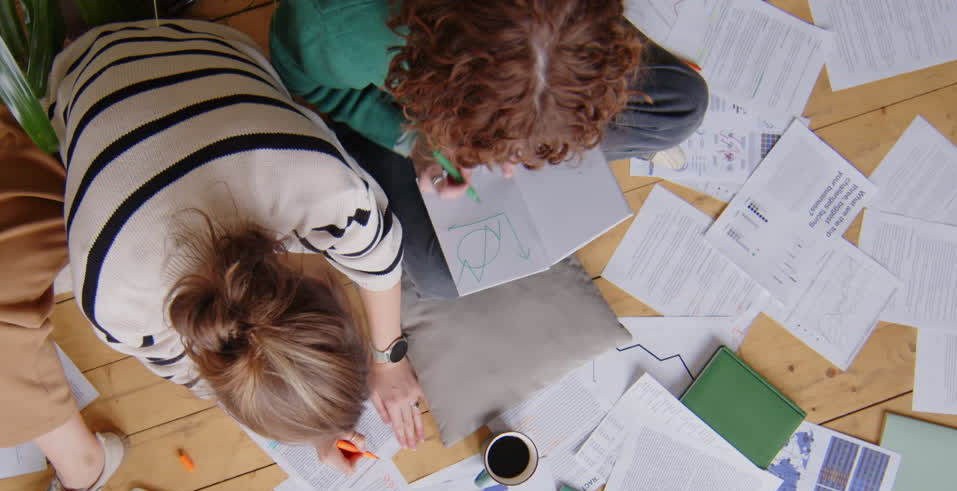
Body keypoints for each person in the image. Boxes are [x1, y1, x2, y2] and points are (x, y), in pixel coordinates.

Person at [0, 19, 432, 491]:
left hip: (203, 59)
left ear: (321, 289)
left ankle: (83, 462)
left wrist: (386, 360)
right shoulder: (117, 299)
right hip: (79, 108)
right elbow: (218, 370)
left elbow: (378, 255)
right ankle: (82, 464)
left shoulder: (323, 184)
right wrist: (313, 427)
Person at [269, 0, 709, 297]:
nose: (512, 165)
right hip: (404, 118)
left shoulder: (574, 37)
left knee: (684, 103)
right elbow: (317, 90)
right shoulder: (331, 29)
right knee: (443, 274)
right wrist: (416, 141)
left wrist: (539, 130)